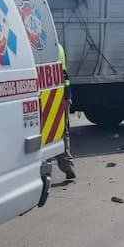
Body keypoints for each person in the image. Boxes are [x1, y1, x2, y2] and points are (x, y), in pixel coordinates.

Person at [56, 40, 77, 180]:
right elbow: (64, 72)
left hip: (55, 95)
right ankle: (67, 166)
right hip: (62, 93)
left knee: (60, 132)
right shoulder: (58, 47)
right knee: (62, 131)